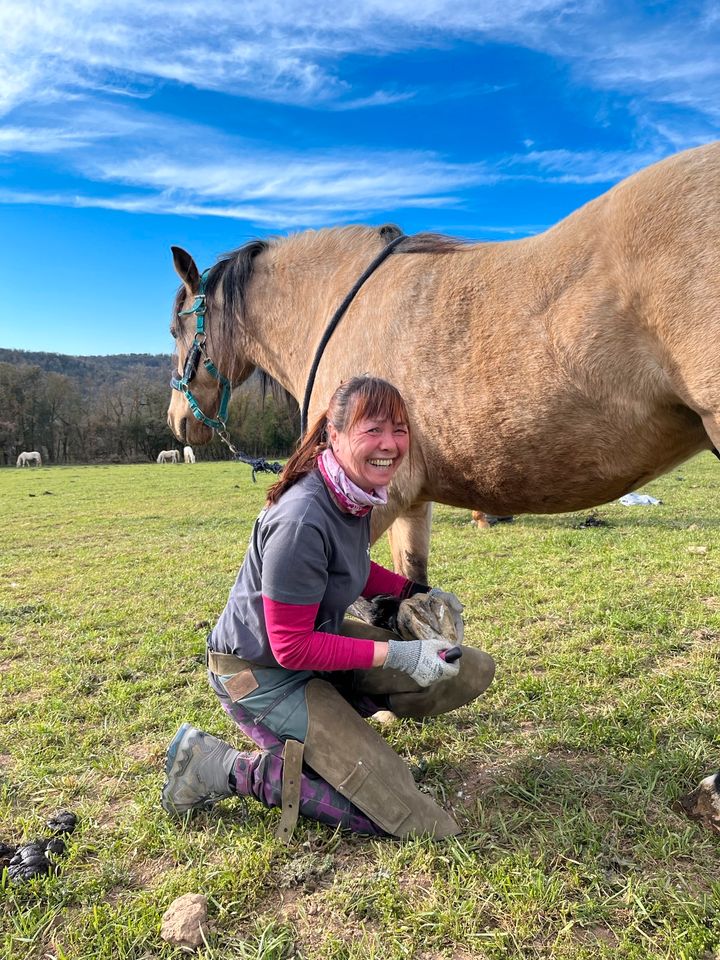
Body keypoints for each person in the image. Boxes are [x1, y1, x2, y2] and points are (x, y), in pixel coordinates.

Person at [161, 376, 495, 840]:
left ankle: (334, 728)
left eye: (400, 430)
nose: (390, 444)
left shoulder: (354, 493)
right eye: (373, 429)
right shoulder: (300, 520)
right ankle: (217, 766)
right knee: (417, 822)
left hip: (319, 641)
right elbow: (291, 648)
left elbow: (353, 568)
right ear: (334, 436)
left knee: (468, 669)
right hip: (260, 673)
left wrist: (416, 591)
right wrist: (400, 656)